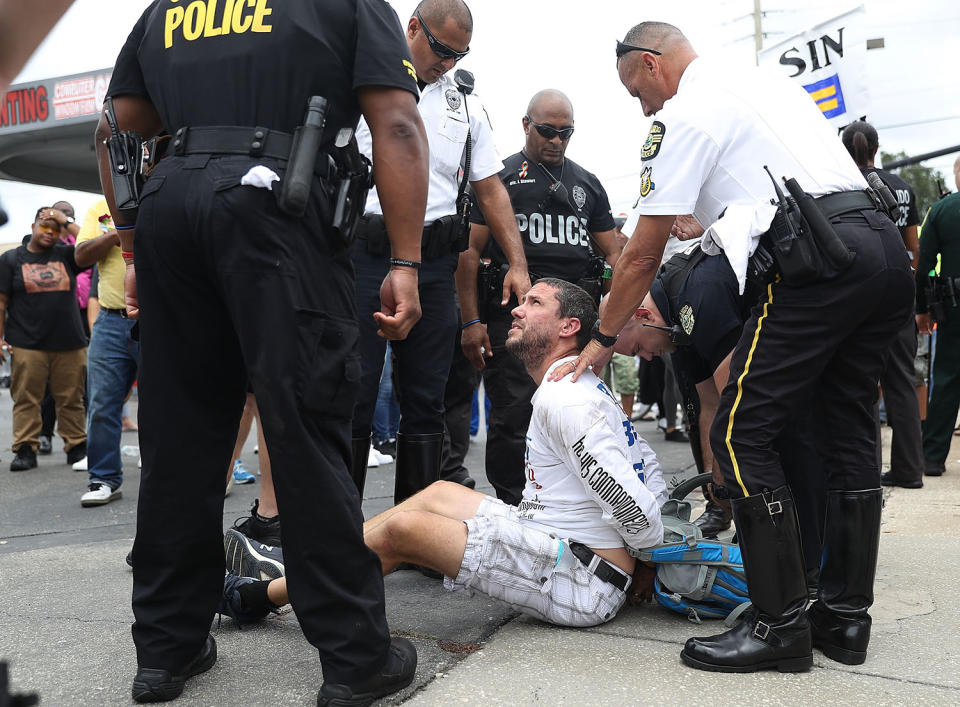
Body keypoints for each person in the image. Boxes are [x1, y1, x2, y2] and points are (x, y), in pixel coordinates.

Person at [97, 0, 430, 703]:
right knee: (305, 426)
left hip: (171, 207)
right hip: (281, 203)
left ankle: (166, 649)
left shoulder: (170, 10)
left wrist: (131, 244)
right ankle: (355, 658)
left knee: (180, 437)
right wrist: (405, 257)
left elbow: (119, 125)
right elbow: (396, 121)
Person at [565, 22, 913, 673]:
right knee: (846, 431)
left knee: (739, 432)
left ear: (651, 63)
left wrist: (602, 337)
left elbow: (641, 253)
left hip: (819, 255)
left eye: (636, 90)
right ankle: (843, 619)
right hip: (880, 244)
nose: (642, 107)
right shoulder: (759, 81)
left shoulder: (682, 114)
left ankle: (779, 623)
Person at [224, 278, 666, 628]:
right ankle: (303, 563)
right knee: (438, 493)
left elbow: (636, 506)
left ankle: (258, 596)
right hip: (562, 540)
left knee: (406, 529)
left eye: (534, 303)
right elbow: (647, 465)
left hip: (587, 581)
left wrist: (648, 561)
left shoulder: (565, 399)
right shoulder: (574, 386)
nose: (516, 308)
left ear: (568, 327)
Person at [349, 0, 529, 504]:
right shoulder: (364, 80)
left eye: (460, 54)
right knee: (355, 395)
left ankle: (414, 526)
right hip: (363, 257)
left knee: (427, 400)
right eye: (442, 49)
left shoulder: (466, 104)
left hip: (433, 264)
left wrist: (517, 262)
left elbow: (491, 187)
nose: (448, 63)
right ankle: (339, 533)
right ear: (411, 27)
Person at [609, 245, 828, 578]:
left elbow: (741, 405)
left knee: (785, 443)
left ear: (643, 316)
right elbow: (710, 405)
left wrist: (731, 480)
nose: (649, 360)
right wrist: (716, 481)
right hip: (771, 336)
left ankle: (806, 558)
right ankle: (778, 539)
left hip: (813, 318)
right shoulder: (671, 321)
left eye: (640, 349)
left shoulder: (695, 298)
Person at [457, 89, 622, 504]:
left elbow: (616, 253)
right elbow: (470, 254)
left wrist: (614, 319)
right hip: (512, 316)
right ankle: (515, 504)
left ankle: (571, 503)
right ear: (526, 124)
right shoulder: (501, 179)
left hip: (571, 322)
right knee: (514, 412)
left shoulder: (587, 183)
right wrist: (471, 321)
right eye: (548, 131)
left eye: (566, 133)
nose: (557, 141)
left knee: (576, 410)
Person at [841, 120, 924, 489]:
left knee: (859, 383)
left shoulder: (841, 184)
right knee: (902, 383)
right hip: (900, 291)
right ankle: (909, 470)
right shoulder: (903, 188)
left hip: (858, 292)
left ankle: (864, 474)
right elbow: (914, 247)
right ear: (876, 148)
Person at [0, 207, 94, 471]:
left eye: (56, 229)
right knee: (27, 398)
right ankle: (25, 450)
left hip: (70, 343)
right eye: (45, 226)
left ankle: (76, 447)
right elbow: (1, 301)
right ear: (32, 226)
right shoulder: (10, 259)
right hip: (27, 343)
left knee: (71, 398)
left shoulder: (66, 255)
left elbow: (88, 246)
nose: (50, 233)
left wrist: (66, 221)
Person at [74, 198, 139, 507]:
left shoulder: (163, 194)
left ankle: (166, 480)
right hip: (111, 319)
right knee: (102, 404)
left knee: (164, 406)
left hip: (161, 320)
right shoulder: (99, 209)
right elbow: (81, 256)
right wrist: (118, 232)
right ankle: (104, 479)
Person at [916, 155, 960, 477]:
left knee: (946, 379)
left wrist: (922, 310)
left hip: (954, 307)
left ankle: (932, 458)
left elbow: (924, 262)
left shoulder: (943, 210)